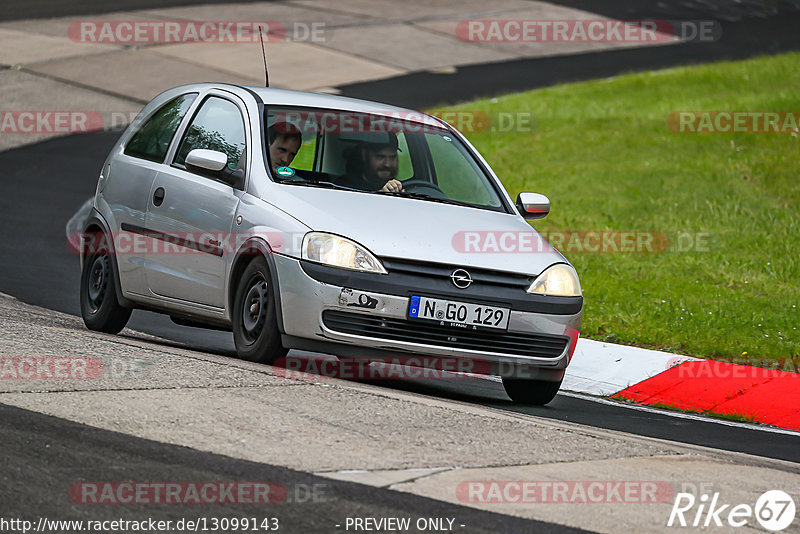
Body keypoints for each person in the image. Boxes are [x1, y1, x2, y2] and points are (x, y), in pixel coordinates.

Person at [339, 134, 404, 192]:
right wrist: (382, 194)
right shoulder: (345, 186)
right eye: (381, 157)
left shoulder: (400, 186)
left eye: (392, 157)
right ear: (364, 155)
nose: (387, 164)